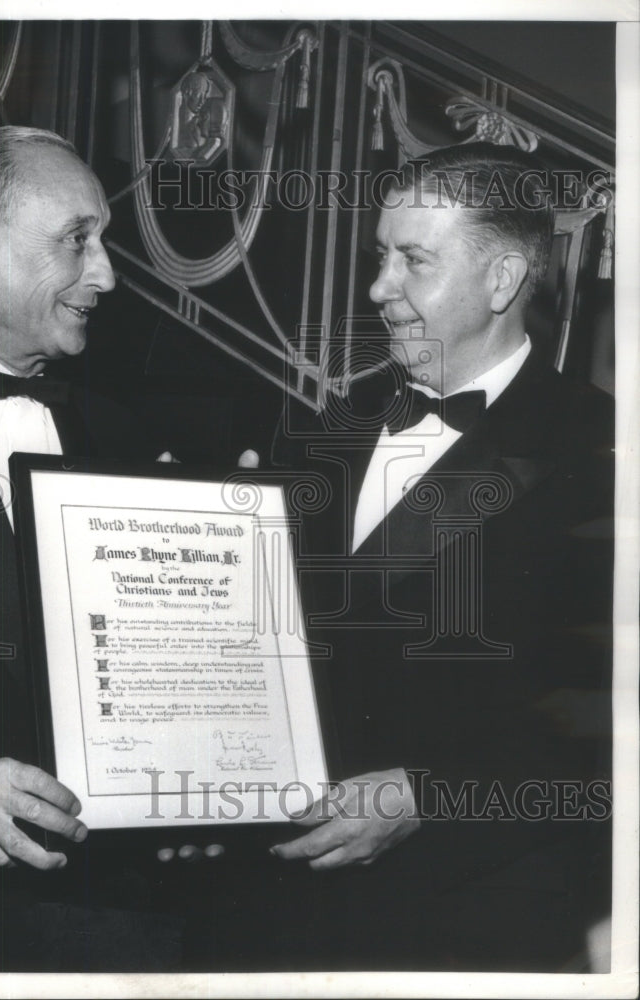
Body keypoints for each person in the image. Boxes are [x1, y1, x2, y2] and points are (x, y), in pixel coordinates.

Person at [192, 143, 614, 971]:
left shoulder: (598, 450)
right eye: (380, 257)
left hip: (468, 924)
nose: (379, 288)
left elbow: (603, 727)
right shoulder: (324, 426)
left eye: (412, 260)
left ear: (502, 280)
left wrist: (430, 796)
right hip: (275, 909)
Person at [0, 126, 186, 971]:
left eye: (105, 241)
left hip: (129, 922)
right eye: (76, 241)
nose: (107, 274)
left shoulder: (126, 434)